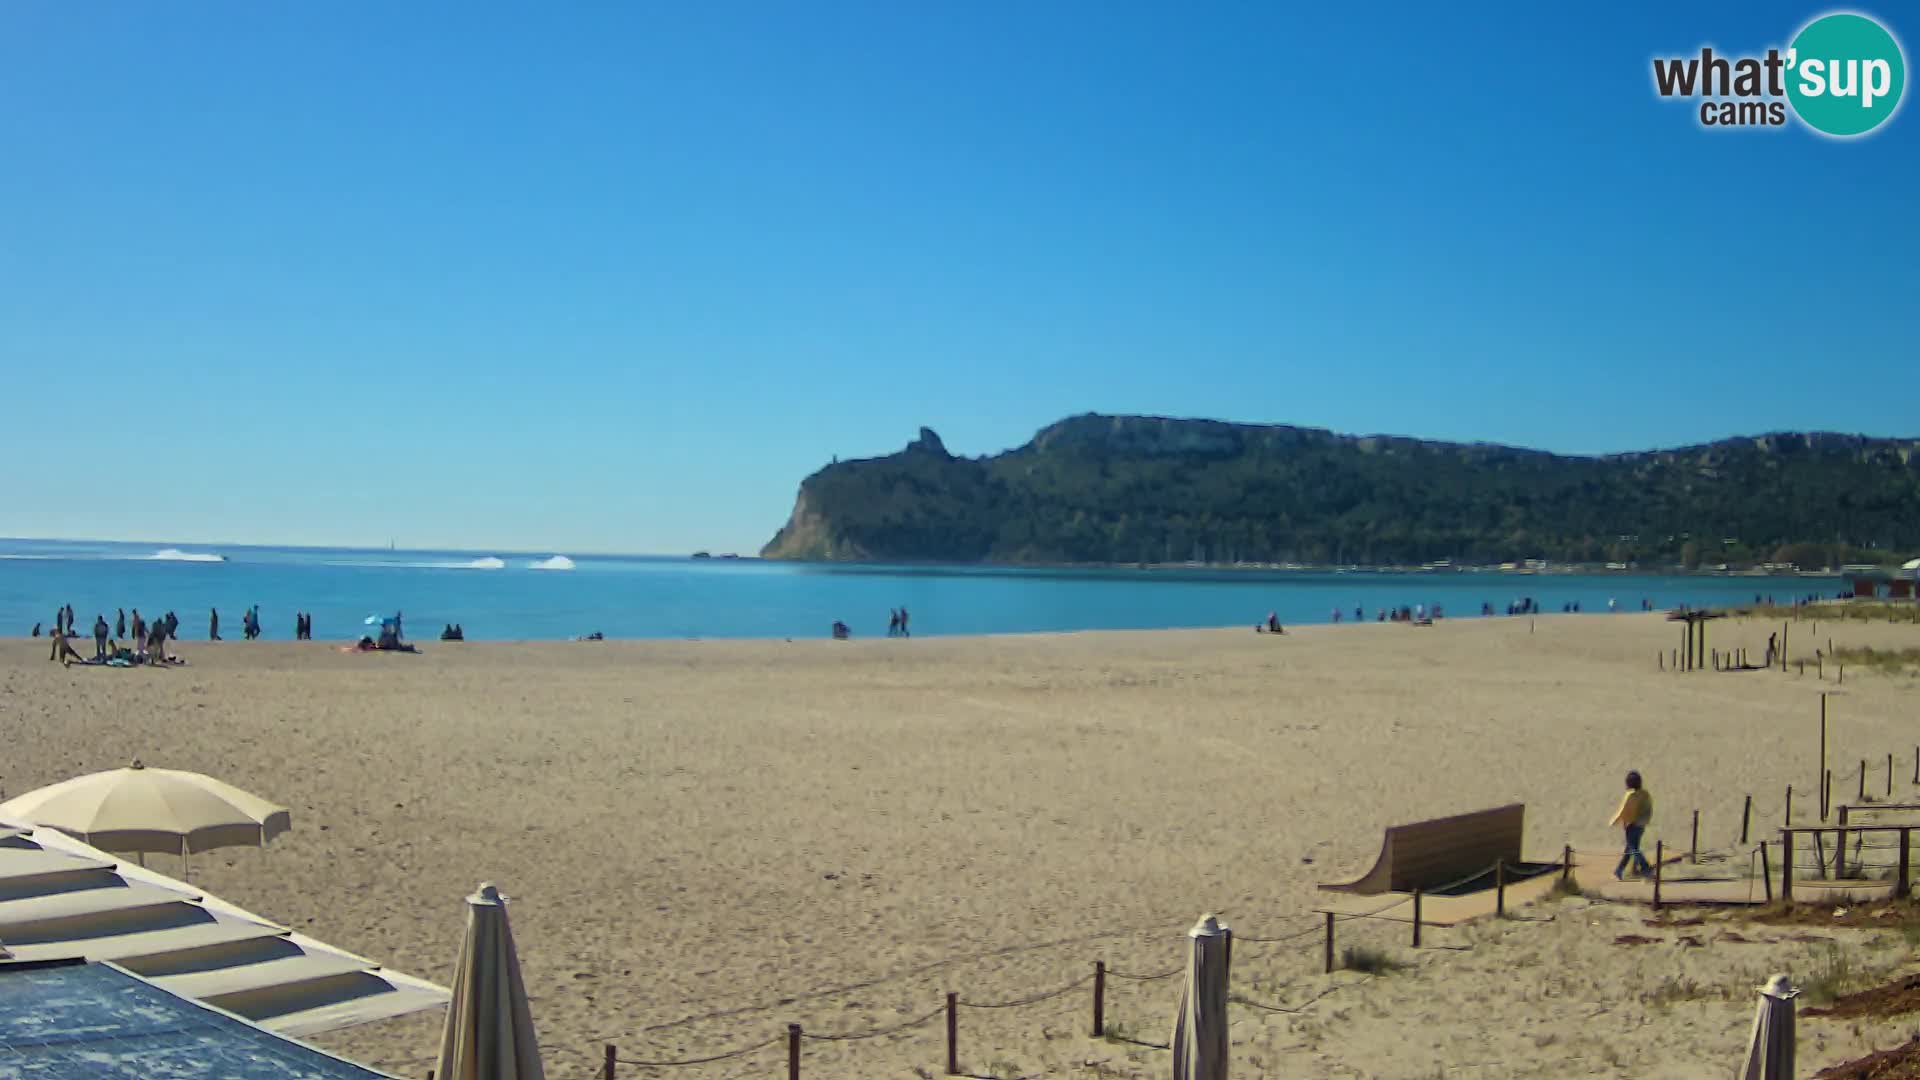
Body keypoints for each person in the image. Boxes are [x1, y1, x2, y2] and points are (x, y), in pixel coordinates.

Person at [1610, 770, 1654, 879]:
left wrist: (1614, 821)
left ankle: (1645, 867)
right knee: (1629, 849)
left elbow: (1623, 811)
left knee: (1633, 848)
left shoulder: (1631, 795)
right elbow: (1649, 809)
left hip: (1633, 825)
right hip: (1642, 825)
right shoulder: (1645, 794)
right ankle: (1619, 870)